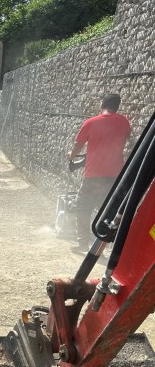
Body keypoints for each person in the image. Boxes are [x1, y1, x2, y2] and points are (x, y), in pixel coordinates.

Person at [67, 93, 131, 252]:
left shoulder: (91, 122)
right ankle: (99, 246)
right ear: (117, 106)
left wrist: (71, 156)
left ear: (102, 105)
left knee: (83, 207)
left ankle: (82, 243)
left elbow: (78, 145)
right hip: (115, 176)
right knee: (107, 210)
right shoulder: (124, 122)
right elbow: (124, 140)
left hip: (93, 176)